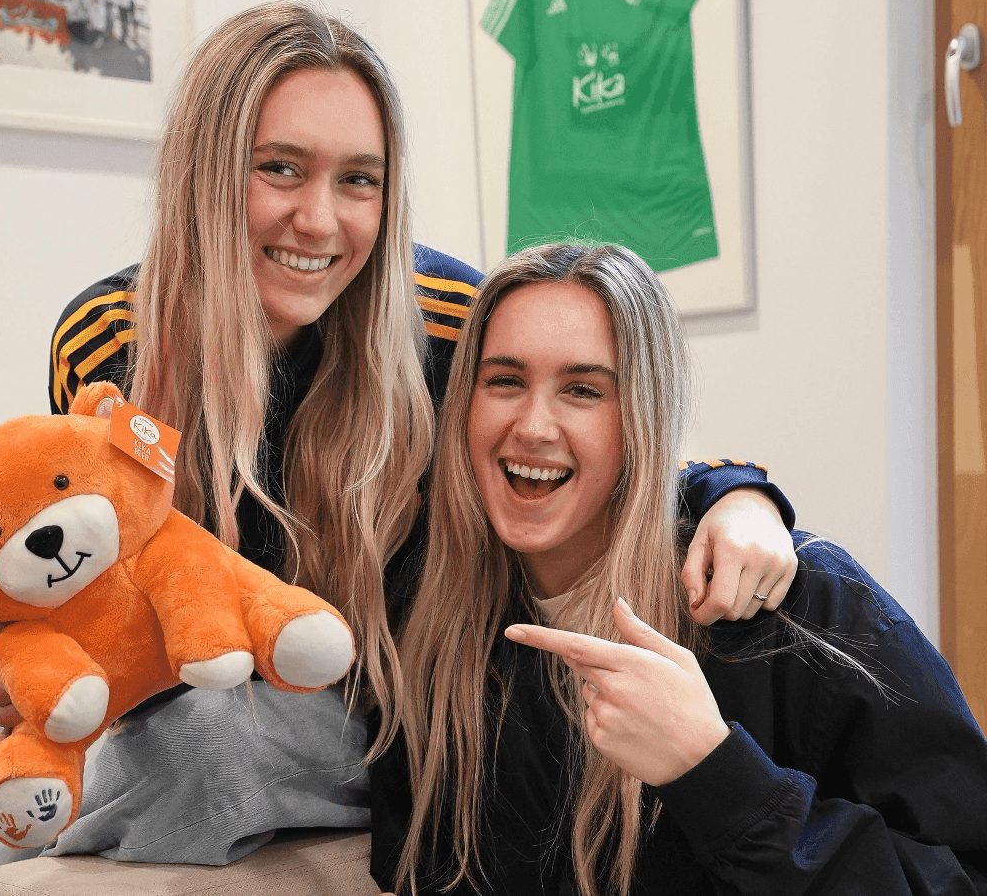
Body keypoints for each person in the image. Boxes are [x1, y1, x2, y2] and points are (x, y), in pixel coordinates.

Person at [0, 3, 799, 895]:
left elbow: (604, 446)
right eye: (280, 168)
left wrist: (740, 496)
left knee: (206, 752)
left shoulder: (448, 317)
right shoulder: (112, 338)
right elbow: (96, 572)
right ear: (206, 172)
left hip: (416, 711)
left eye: (358, 180)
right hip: (195, 699)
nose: (319, 220)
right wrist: (47, 652)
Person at [371, 243, 987, 896]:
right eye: (504, 381)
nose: (533, 426)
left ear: (644, 418)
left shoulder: (798, 608)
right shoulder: (427, 625)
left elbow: (963, 876)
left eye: (583, 390)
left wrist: (713, 772)